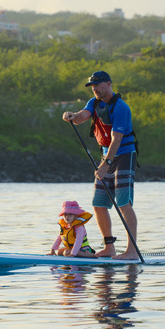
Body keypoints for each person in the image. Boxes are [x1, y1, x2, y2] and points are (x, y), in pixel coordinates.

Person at [62, 71, 138, 260]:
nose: (94, 88)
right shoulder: (93, 103)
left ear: (108, 84)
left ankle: (132, 251)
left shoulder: (121, 108)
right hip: (107, 157)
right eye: (92, 85)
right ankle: (109, 248)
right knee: (98, 204)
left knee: (123, 203)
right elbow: (81, 117)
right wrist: (72, 115)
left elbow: (117, 139)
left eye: (97, 84)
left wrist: (106, 164)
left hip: (123, 155)